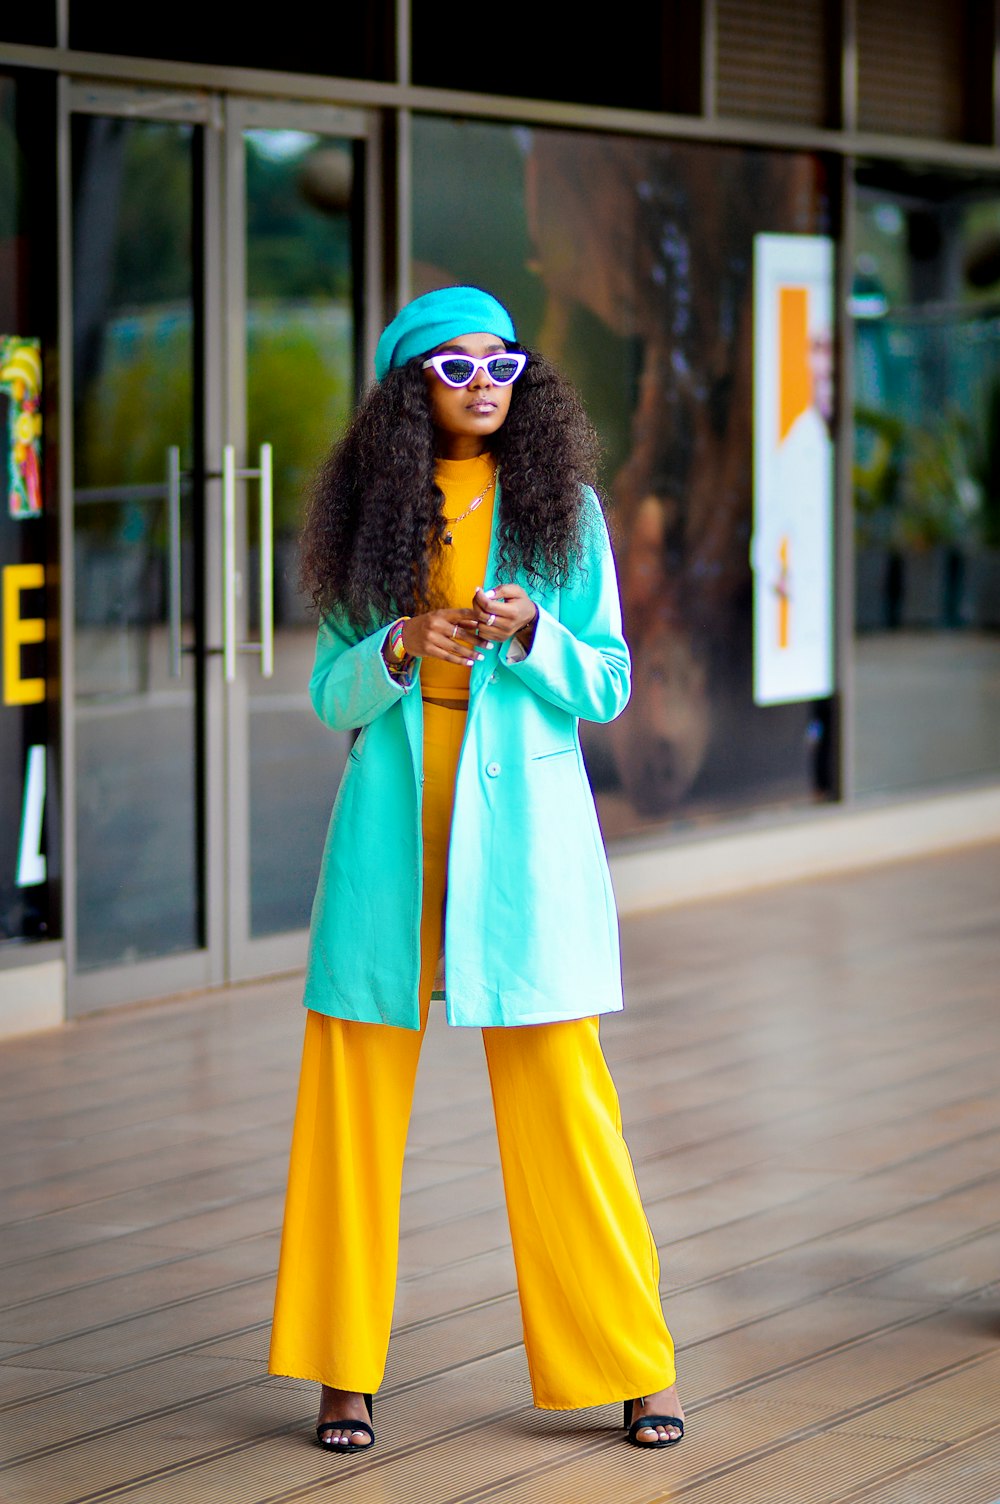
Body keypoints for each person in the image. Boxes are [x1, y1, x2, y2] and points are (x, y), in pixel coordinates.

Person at [267, 285, 685, 1456]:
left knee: (565, 1101)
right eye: (452, 369)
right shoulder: (372, 517)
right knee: (348, 1102)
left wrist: (532, 635)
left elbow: (606, 681)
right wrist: (400, 644)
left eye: (499, 360)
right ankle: (337, 1370)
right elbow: (329, 693)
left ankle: (630, 1359)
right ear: (411, 392)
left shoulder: (569, 511)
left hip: (522, 858)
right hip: (392, 847)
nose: (484, 382)